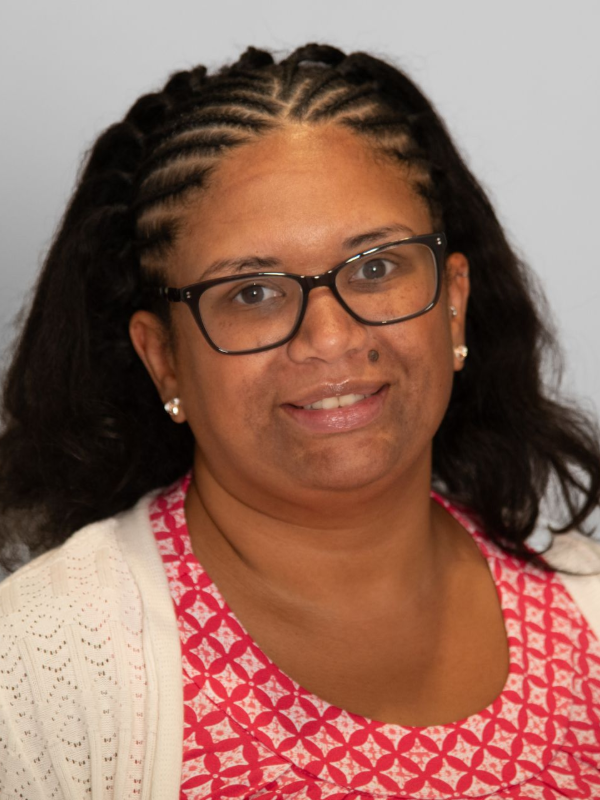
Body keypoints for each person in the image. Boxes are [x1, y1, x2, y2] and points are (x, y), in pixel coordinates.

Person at [0, 43, 599, 800]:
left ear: (453, 302)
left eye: (377, 266)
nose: (330, 339)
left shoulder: (586, 621)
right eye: (251, 292)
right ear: (164, 360)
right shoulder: (38, 672)